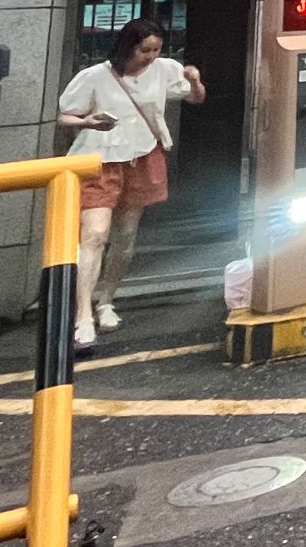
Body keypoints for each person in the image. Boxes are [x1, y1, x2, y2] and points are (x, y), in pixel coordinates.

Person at [56, 18, 205, 351]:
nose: (151, 56)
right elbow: (64, 115)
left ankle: (106, 300)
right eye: (144, 50)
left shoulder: (164, 69)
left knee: (124, 237)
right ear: (128, 46)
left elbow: (195, 98)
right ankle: (83, 316)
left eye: (156, 50)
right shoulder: (95, 76)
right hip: (99, 160)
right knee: (94, 235)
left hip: (141, 156)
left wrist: (194, 80)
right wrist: (87, 121)